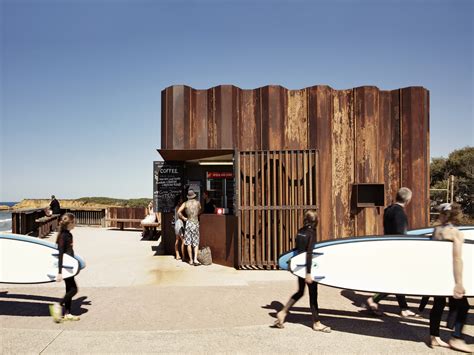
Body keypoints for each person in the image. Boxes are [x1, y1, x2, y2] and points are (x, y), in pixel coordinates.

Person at [274, 210, 331, 332]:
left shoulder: (300, 231)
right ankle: (316, 323)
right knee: (313, 295)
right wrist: (309, 273)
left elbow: (297, 250)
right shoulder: (312, 233)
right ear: (315, 221)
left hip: (299, 266)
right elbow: (309, 253)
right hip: (308, 267)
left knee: (300, 292)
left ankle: (283, 312)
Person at [366, 187, 418, 317]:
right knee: (397, 280)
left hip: (388, 247)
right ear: (408, 200)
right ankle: (374, 299)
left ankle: (404, 308)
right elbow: (401, 235)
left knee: (397, 279)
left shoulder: (388, 210)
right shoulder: (399, 213)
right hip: (397, 251)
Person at [428, 203, 472, 353]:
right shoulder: (455, 233)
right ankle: (456, 338)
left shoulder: (436, 230)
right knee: (464, 306)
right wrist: (459, 283)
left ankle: (434, 337)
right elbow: (457, 259)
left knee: (438, 305)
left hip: (436, 274)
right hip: (449, 275)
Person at [49, 213, 80, 323]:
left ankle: (67, 313)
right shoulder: (63, 235)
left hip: (69, 266)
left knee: (69, 289)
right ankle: (58, 305)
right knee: (74, 289)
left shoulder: (69, 234)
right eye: (74, 221)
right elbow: (60, 254)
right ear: (70, 223)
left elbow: (70, 252)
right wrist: (60, 272)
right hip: (65, 267)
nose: (75, 223)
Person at [178, 189, 201, 266]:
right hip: (195, 222)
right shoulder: (198, 203)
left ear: (188, 196)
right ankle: (195, 259)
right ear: (194, 195)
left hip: (188, 222)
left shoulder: (185, 203)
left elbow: (178, 212)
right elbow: (199, 210)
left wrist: (184, 218)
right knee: (196, 242)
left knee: (188, 243)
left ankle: (190, 260)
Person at [174, 196, 185, 260]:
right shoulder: (179, 208)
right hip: (179, 224)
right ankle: (183, 256)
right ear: (179, 201)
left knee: (177, 240)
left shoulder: (176, 207)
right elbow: (180, 216)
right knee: (183, 240)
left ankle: (177, 255)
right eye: (181, 200)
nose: (182, 200)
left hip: (176, 224)